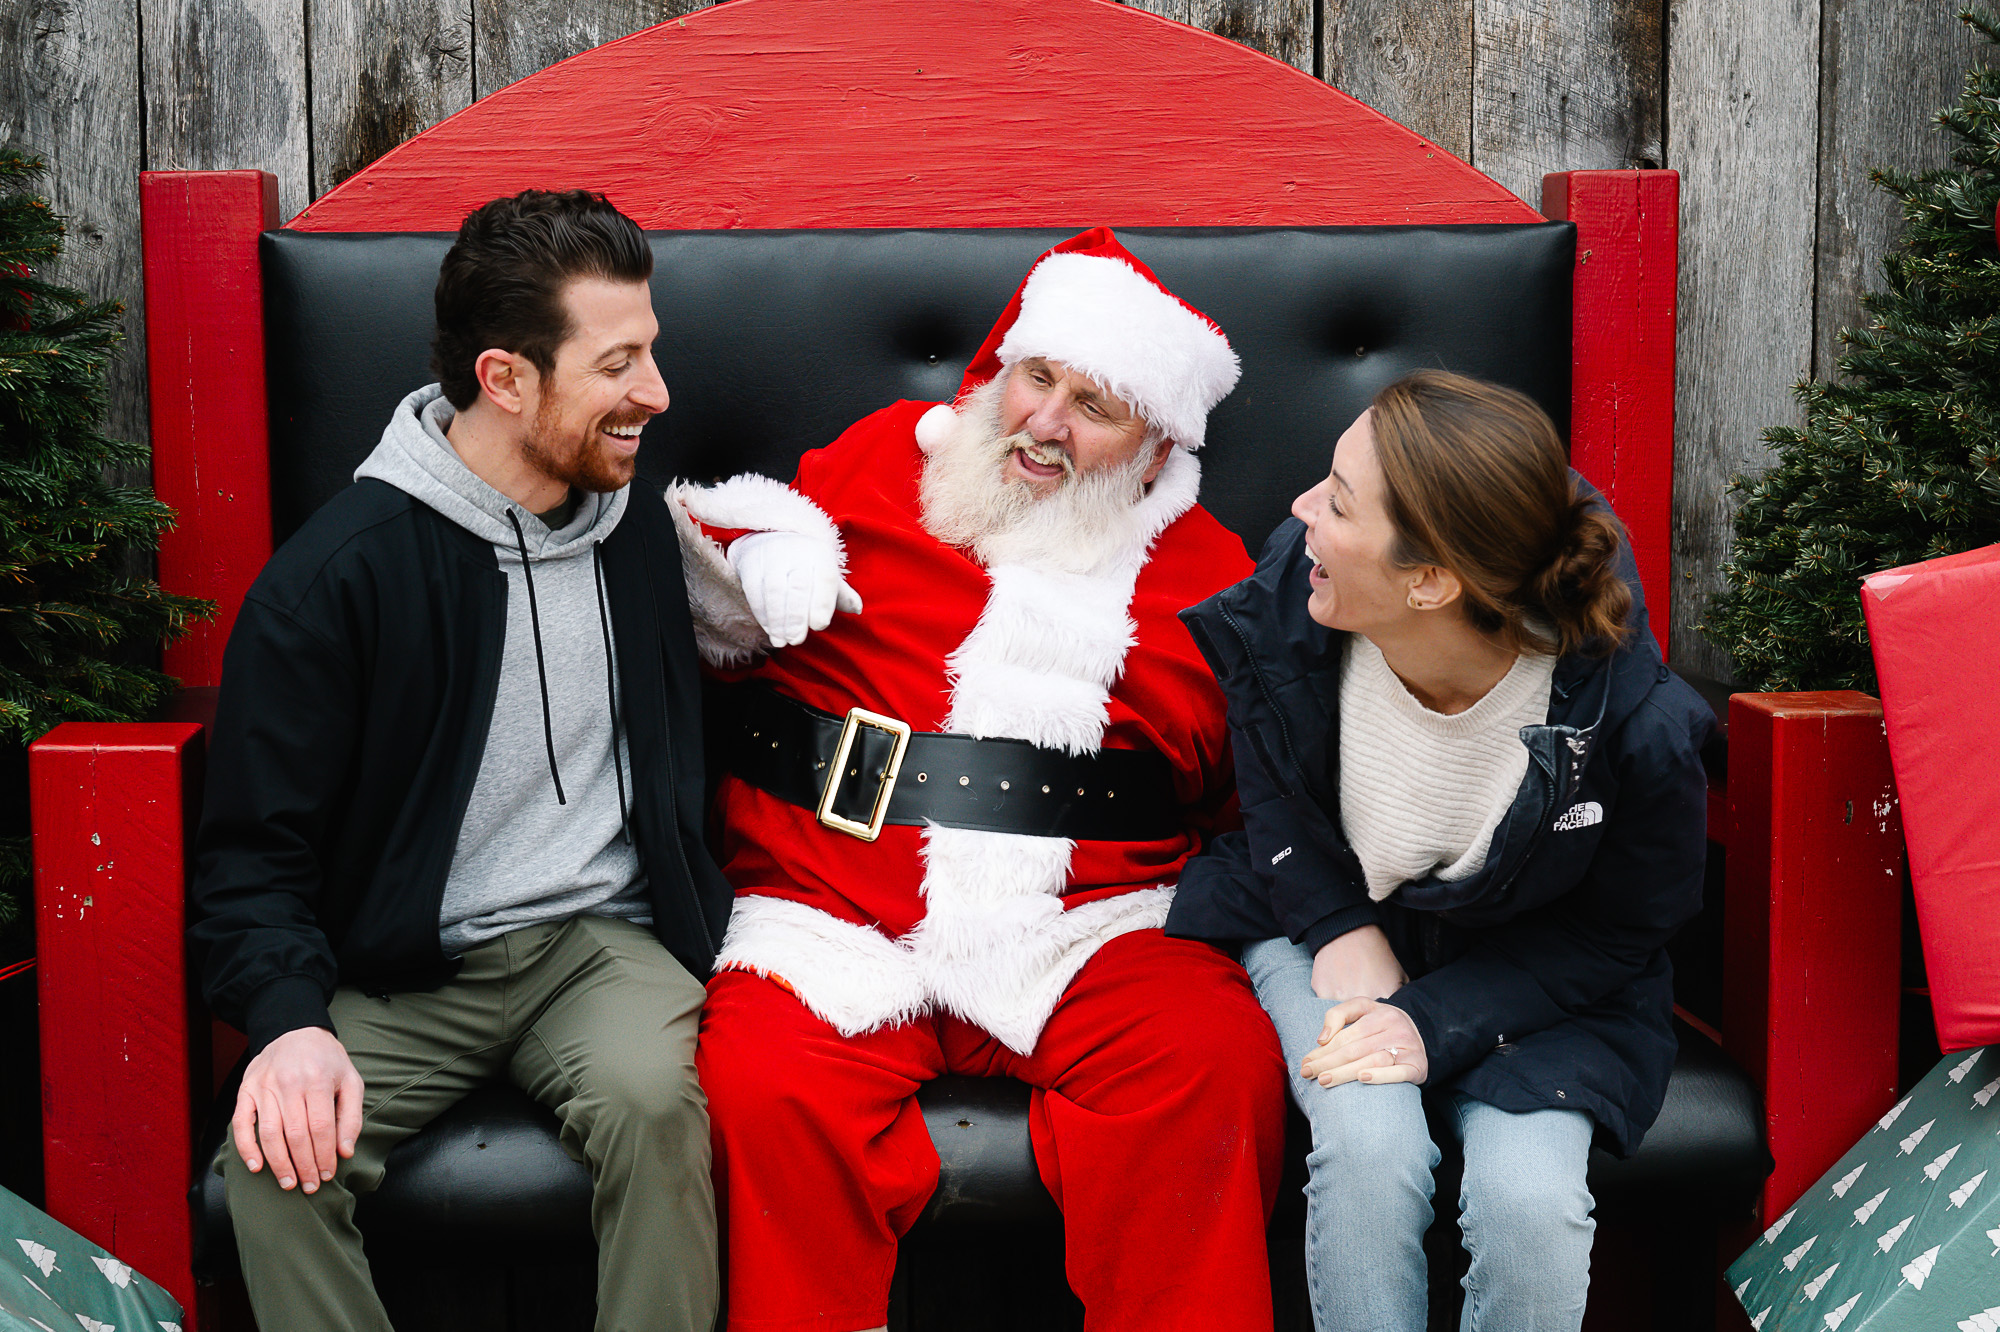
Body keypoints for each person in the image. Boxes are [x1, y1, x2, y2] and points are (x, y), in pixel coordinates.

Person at [670, 227, 1289, 1332]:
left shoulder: (1212, 585)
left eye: (1094, 408)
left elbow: (1259, 801)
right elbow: (711, 551)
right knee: (759, 1084)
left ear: (1156, 450)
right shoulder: (885, 461)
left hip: (1086, 934)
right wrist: (756, 550)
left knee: (1213, 1063)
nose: (1044, 423)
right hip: (829, 915)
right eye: (1035, 377)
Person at [187, 189, 731, 1332]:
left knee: (657, 1110)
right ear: (505, 379)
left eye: (651, 351)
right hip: (402, 970)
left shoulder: (631, 526)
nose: (656, 393)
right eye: (618, 364)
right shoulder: (336, 579)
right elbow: (249, 857)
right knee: (275, 1168)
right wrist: (286, 1022)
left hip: (600, 947)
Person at [1166, 369, 1712, 1331]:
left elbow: (1625, 928)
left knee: (1528, 1204)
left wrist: (1438, 1020)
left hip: (1541, 972)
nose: (1300, 510)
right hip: (1320, 916)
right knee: (1368, 1149)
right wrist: (1336, 922)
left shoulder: (1633, 728)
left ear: (1429, 582)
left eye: (1339, 502)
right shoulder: (1297, 590)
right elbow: (1271, 778)